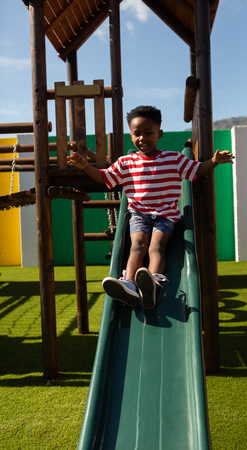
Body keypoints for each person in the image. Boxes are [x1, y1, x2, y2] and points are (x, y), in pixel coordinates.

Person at [67, 105, 234, 309]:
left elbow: (197, 170)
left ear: (159, 134)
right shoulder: (126, 162)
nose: (142, 138)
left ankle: (152, 284)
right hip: (139, 214)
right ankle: (129, 283)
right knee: (137, 246)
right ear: (131, 136)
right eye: (137, 134)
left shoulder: (173, 159)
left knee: (156, 246)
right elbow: (104, 178)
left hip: (165, 215)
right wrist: (85, 166)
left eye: (149, 133)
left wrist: (215, 161)